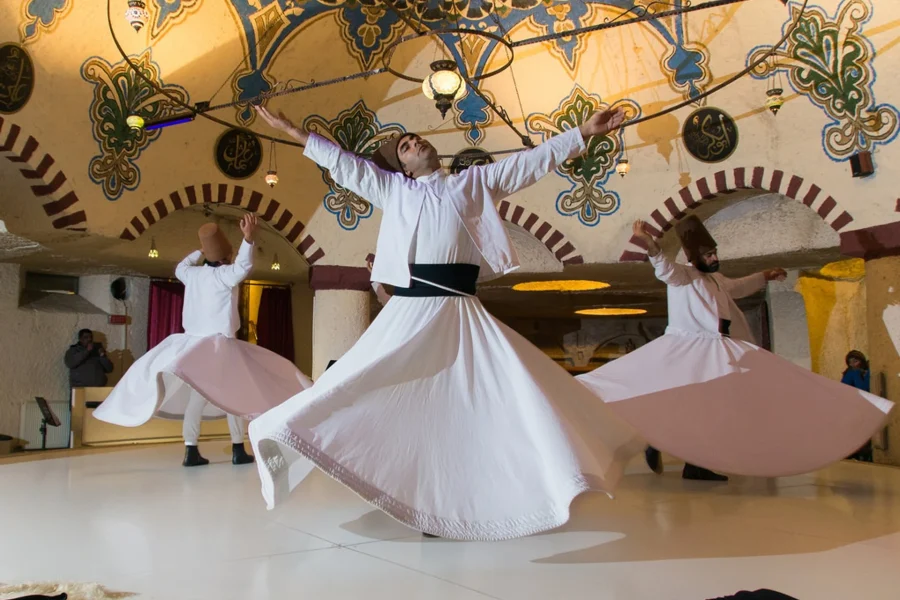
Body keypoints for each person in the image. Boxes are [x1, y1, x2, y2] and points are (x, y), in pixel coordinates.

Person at [250, 103, 645, 541]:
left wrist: (582, 133)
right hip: (411, 311)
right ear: (402, 165)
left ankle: (470, 497)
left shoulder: (473, 183)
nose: (415, 142)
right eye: (405, 146)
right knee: (359, 382)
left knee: (485, 397)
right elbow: (345, 166)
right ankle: (314, 441)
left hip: (459, 311)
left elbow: (528, 165)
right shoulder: (394, 190)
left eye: (415, 138)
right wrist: (291, 128)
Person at [577, 218, 894, 479]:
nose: (715, 258)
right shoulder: (684, 276)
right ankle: (657, 440)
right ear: (695, 256)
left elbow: (737, 286)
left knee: (710, 406)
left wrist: (764, 275)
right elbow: (663, 268)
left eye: (715, 253)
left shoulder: (715, 280)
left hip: (718, 348)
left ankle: (691, 459)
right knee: (676, 397)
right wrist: (649, 243)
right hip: (691, 347)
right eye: (709, 254)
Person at [93, 215, 312, 467]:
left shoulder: (192, 275)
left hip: (194, 346)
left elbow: (180, 268)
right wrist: (248, 239)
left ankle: (190, 449)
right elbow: (242, 266)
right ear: (225, 257)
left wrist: (203, 249)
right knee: (233, 396)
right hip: (219, 346)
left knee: (197, 398)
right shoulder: (223, 276)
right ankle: (238, 448)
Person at [841, 349, 873, 462]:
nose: (853, 364)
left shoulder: (868, 371)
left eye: (855, 361)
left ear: (861, 360)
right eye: (850, 362)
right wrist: (856, 374)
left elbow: (867, 388)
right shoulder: (851, 373)